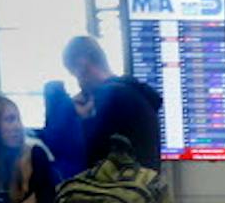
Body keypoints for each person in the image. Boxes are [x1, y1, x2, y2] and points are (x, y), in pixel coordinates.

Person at [62, 35, 162, 171]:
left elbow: (89, 153)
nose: (78, 83)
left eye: (74, 74)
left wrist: (80, 119)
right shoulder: (137, 94)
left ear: (82, 64)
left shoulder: (109, 96)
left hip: (113, 189)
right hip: (143, 188)